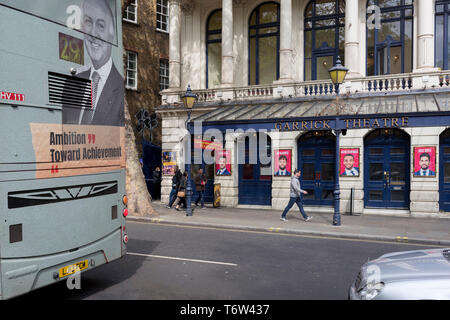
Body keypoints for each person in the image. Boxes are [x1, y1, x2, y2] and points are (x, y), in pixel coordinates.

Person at [62, 0, 124, 127]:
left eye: (101, 25)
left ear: (111, 33)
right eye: (88, 22)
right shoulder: (72, 82)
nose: (93, 34)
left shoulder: (120, 88)